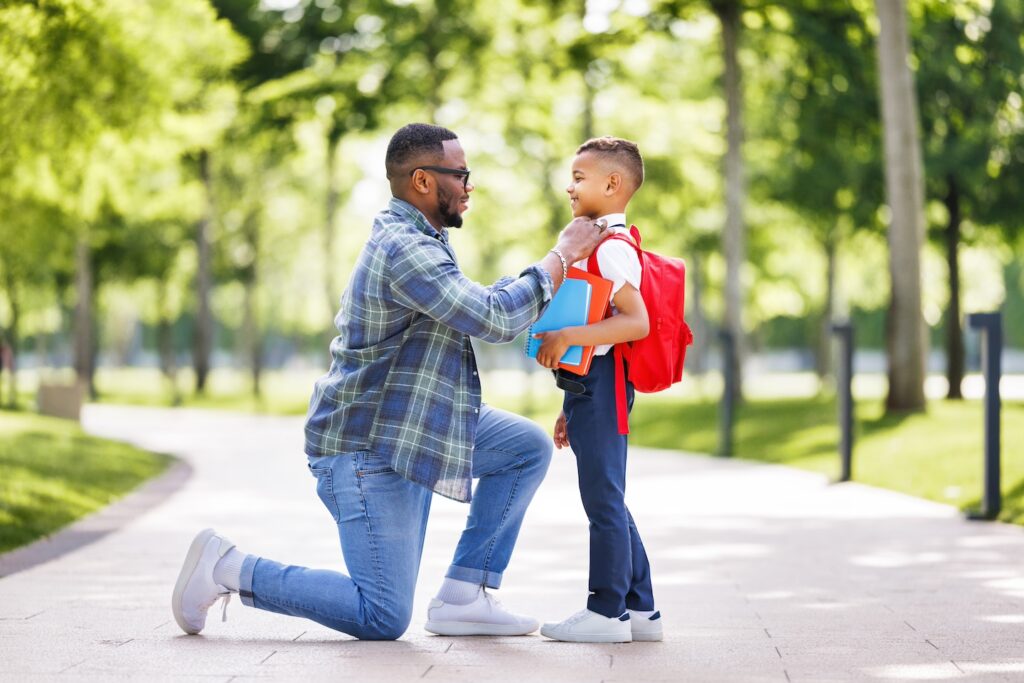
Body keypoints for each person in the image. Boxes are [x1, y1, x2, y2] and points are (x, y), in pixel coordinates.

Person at [170, 123, 609, 640]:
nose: (470, 185)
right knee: (381, 615)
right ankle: (229, 567)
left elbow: (473, 301)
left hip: (415, 427)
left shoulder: (425, 239)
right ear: (423, 181)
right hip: (367, 447)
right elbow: (492, 318)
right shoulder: (404, 248)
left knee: (524, 448)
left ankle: (463, 595)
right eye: (461, 174)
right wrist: (561, 256)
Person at [532, 136, 662, 643]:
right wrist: (571, 401)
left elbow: (636, 323)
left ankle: (606, 611)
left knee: (602, 500)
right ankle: (641, 609)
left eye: (580, 177)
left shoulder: (612, 249)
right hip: (590, 386)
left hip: (606, 385)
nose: (570, 186)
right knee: (609, 497)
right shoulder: (597, 244)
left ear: (612, 184)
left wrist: (568, 337)